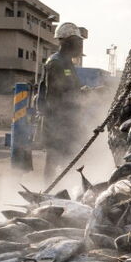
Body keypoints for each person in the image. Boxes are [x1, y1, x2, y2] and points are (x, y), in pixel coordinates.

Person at [41, 22, 87, 179]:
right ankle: (48, 190)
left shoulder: (67, 63)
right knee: (53, 159)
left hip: (67, 119)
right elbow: (54, 96)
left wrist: (89, 92)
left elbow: (73, 89)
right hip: (57, 120)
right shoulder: (56, 63)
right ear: (66, 42)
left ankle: (61, 188)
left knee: (66, 159)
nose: (81, 46)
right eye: (78, 42)